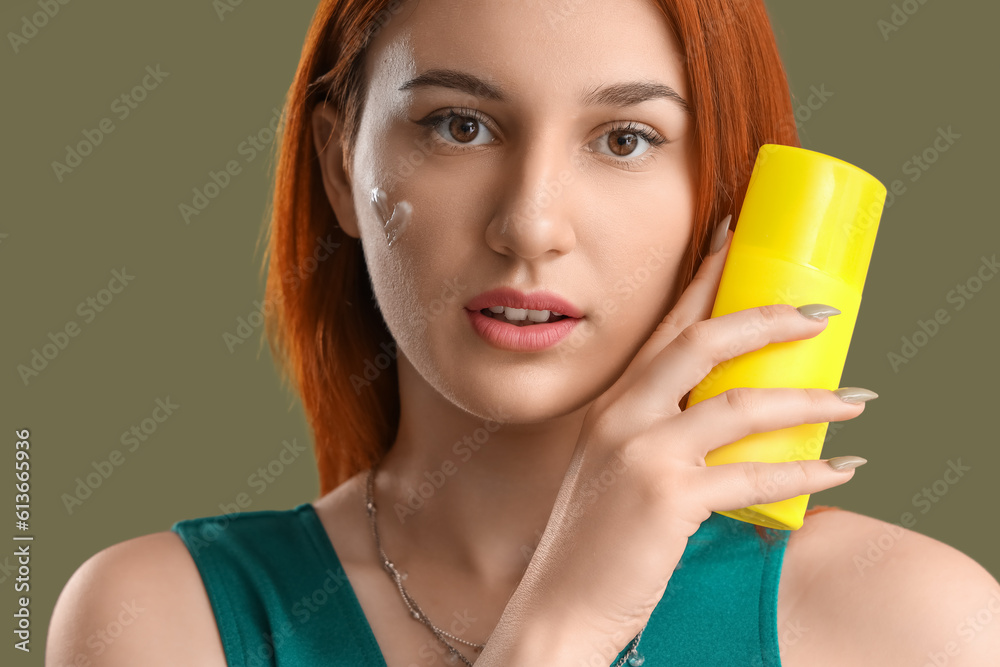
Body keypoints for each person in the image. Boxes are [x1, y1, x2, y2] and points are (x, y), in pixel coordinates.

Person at [47, 0, 1000, 665]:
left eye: (625, 138)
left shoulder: (909, 624)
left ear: (730, 193)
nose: (531, 223)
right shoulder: (164, 618)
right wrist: (559, 628)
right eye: (460, 126)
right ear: (342, 166)